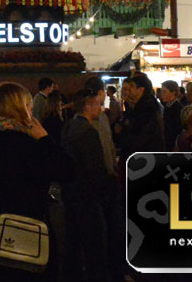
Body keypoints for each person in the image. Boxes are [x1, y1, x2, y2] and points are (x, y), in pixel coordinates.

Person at [0, 82, 72, 281]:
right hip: (33, 230)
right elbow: (68, 171)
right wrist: (45, 138)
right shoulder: (31, 143)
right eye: (28, 106)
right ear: (21, 108)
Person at [61, 88, 119, 282]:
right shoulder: (88, 132)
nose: (100, 109)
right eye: (97, 105)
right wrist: (106, 190)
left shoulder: (70, 127)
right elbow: (95, 168)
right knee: (95, 245)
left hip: (72, 193)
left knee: (74, 242)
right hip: (88, 197)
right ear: (88, 106)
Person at [119, 73, 164, 157]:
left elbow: (140, 137)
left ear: (140, 90)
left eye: (132, 86)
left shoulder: (147, 109)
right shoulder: (139, 106)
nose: (129, 89)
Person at [159, 80, 183, 146]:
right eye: (161, 91)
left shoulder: (177, 108)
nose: (161, 94)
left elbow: (175, 129)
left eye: (164, 92)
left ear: (173, 92)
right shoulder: (167, 106)